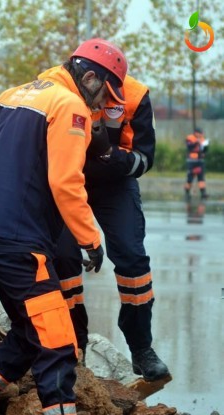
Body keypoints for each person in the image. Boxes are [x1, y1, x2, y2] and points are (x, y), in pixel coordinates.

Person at [0, 38, 127, 415]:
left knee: (30, 332)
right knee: (58, 339)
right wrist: (90, 239)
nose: (102, 106)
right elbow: (65, 182)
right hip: (20, 241)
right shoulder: (70, 106)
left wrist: (11, 157)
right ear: (90, 76)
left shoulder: (18, 93)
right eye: (105, 94)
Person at [52, 72, 170, 382]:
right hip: (66, 177)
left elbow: (144, 159)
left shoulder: (135, 94)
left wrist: (109, 155)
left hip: (115, 182)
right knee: (63, 259)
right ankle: (74, 349)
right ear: (86, 75)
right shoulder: (58, 84)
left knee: (132, 259)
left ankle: (141, 348)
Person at [184, 127, 208, 199]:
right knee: (190, 177)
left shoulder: (203, 139)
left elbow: (205, 149)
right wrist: (196, 142)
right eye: (199, 133)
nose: (201, 134)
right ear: (195, 132)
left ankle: (203, 193)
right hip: (191, 161)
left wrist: (204, 149)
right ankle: (187, 193)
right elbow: (189, 147)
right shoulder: (190, 138)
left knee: (201, 177)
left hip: (200, 161)